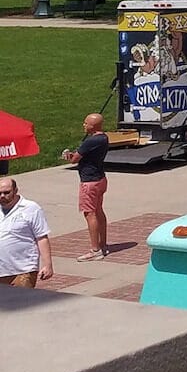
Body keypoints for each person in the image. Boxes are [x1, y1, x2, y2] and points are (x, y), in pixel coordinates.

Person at [63, 113, 110, 261]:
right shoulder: (104, 138)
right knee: (98, 210)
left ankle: (95, 250)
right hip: (100, 179)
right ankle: (103, 244)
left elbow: (74, 160)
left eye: (86, 123)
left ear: (92, 126)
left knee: (89, 213)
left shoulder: (90, 141)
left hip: (89, 182)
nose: (84, 125)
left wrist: (69, 156)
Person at [0, 177, 52, 287]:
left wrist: (47, 265)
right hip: (2, 271)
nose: (2, 196)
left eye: (6, 193)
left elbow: (41, 237)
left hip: (23, 271)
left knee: (21, 303)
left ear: (15, 190)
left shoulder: (31, 208)